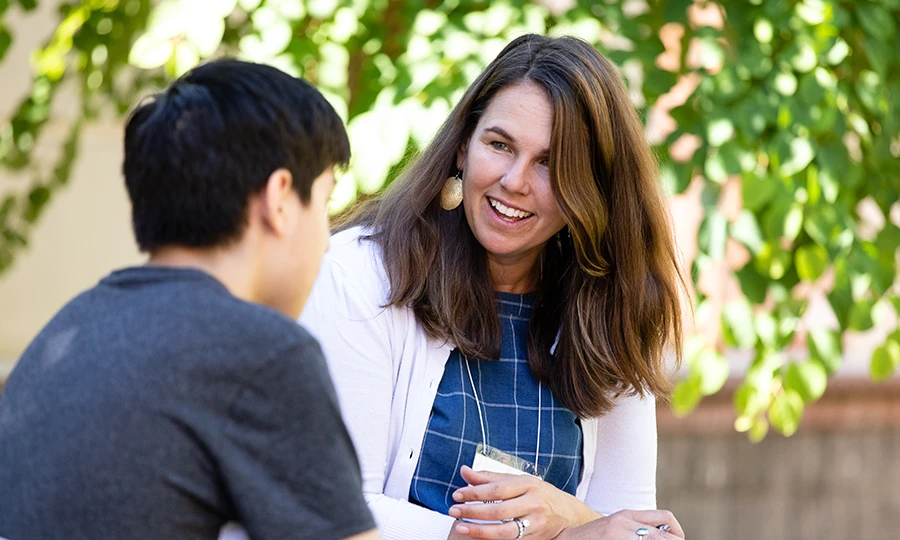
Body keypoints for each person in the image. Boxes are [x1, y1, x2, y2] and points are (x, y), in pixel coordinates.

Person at [300, 34, 687, 540]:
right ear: (463, 146)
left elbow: (630, 527)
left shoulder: (611, 306)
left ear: (590, 184)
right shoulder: (364, 276)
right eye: (499, 145)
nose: (514, 180)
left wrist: (568, 517)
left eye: (550, 162)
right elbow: (336, 509)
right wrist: (551, 534)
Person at [0, 59, 378, 540]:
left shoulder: (66, 330)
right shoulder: (261, 353)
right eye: (325, 203)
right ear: (279, 198)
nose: (327, 240)